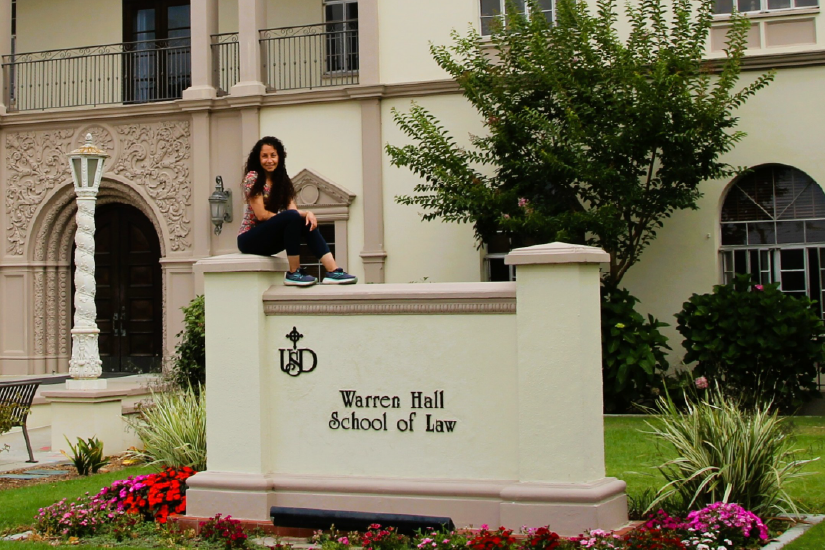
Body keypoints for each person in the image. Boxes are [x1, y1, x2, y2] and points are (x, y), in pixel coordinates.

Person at [237, 136, 357, 286]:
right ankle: (294, 272)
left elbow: (293, 212)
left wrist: (307, 214)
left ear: (279, 157)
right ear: (258, 158)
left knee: (304, 223)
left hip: (269, 239)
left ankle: (333, 271)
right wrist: (296, 215)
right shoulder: (253, 177)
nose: (269, 160)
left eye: (273, 156)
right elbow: (261, 215)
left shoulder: (282, 181)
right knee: (293, 217)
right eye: (265, 156)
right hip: (250, 239)